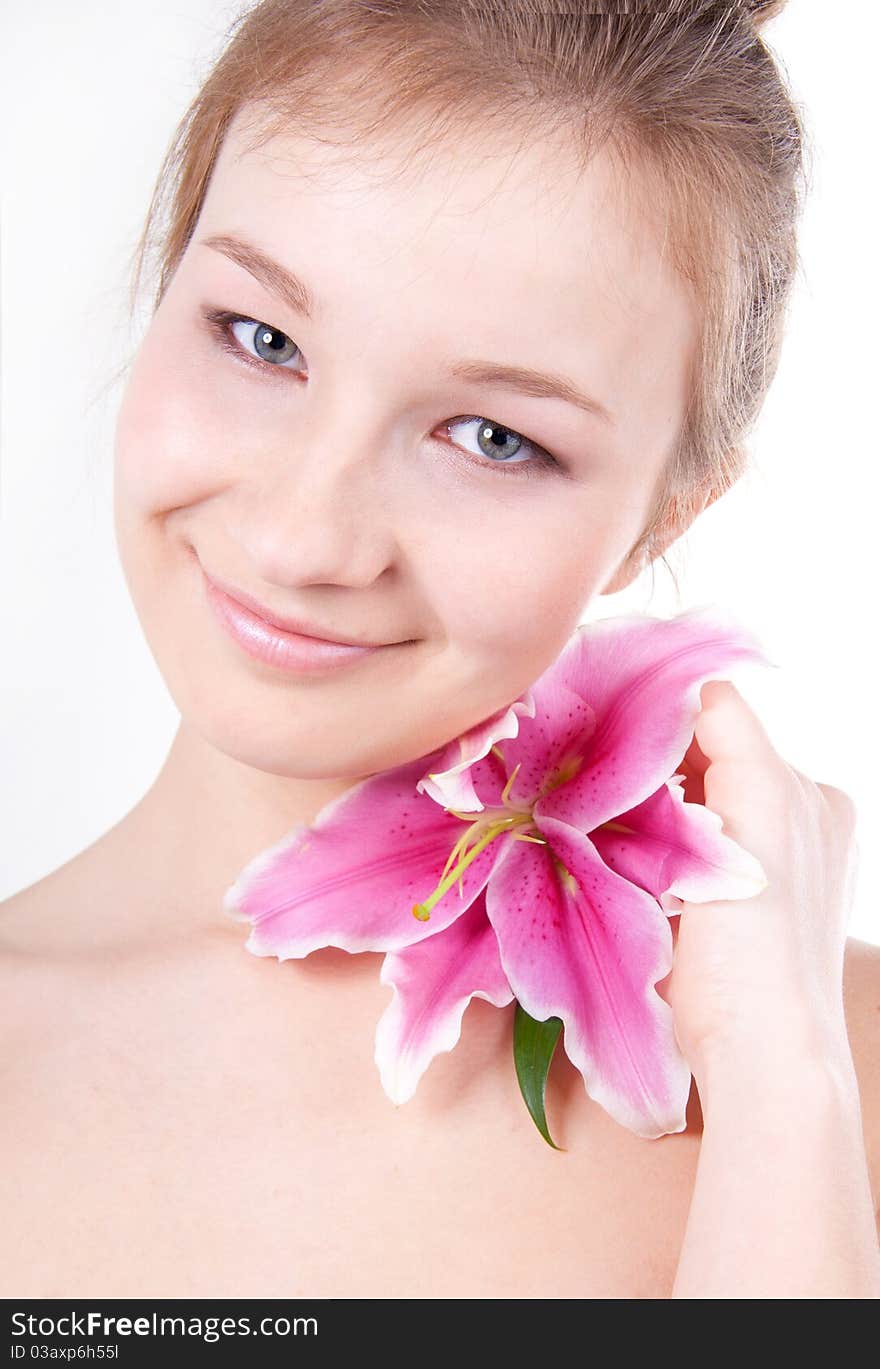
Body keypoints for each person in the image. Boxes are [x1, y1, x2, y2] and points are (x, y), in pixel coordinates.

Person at [1, 0, 878, 1299]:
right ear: (166, 272)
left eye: (492, 437)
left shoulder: (832, 1064)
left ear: (661, 521)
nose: (306, 537)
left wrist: (788, 1091)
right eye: (263, 338)